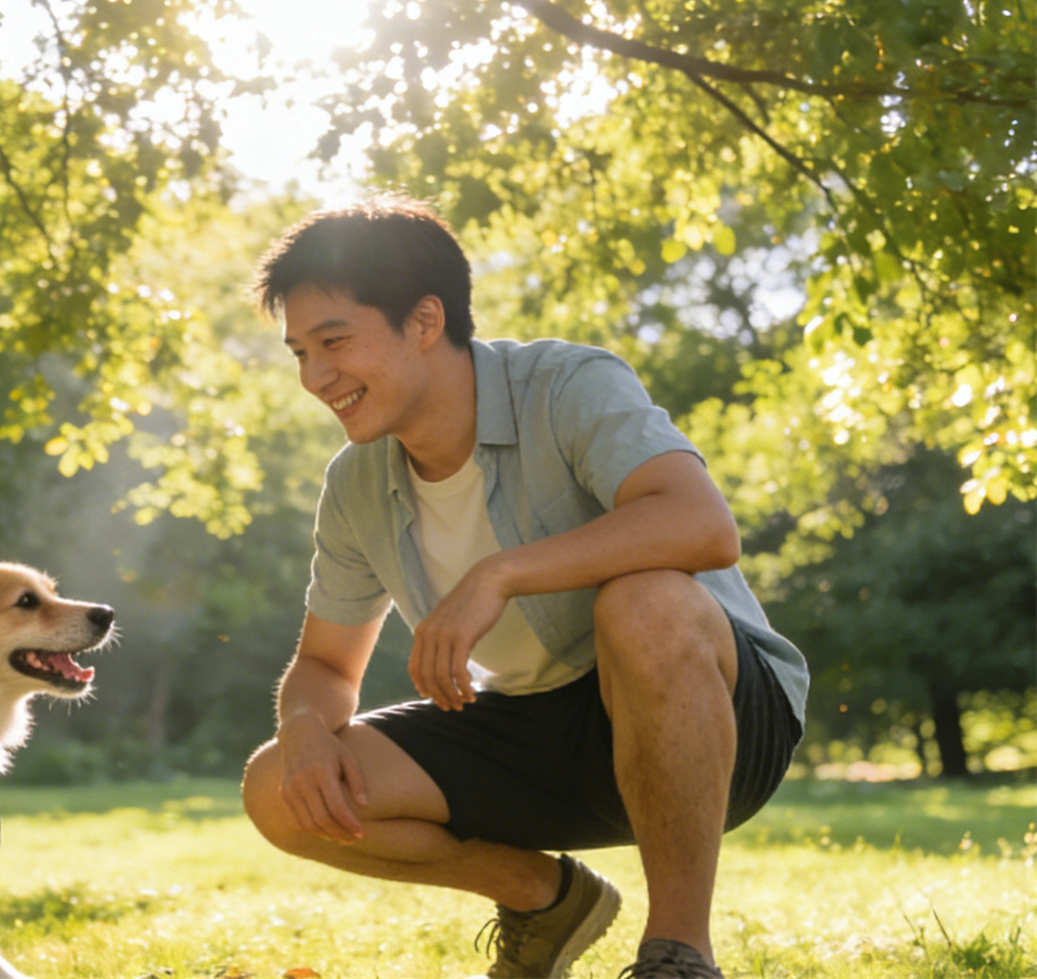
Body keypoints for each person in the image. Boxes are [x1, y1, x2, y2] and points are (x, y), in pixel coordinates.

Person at [239, 195, 807, 979]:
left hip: (719, 719)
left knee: (647, 602)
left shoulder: (568, 384)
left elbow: (700, 525)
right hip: (533, 735)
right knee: (277, 785)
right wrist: (303, 724)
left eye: (334, 341)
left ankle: (678, 955)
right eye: (299, 352)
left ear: (426, 321)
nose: (316, 376)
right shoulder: (355, 484)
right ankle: (544, 898)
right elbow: (328, 668)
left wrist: (497, 575)